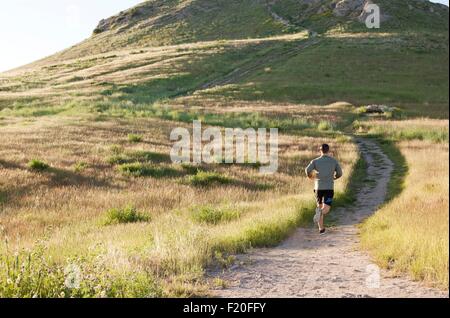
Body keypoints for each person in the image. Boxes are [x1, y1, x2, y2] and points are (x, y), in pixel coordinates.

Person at [305, 144, 343, 235]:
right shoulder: (333, 161)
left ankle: (321, 229)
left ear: (320, 150)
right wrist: (335, 177)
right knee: (326, 208)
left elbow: (307, 170)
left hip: (318, 187)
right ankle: (320, 214)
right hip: (329, 187)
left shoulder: (315, 161)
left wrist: (311, 177)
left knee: (319, 206)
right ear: (328, 150)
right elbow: (340, 173)